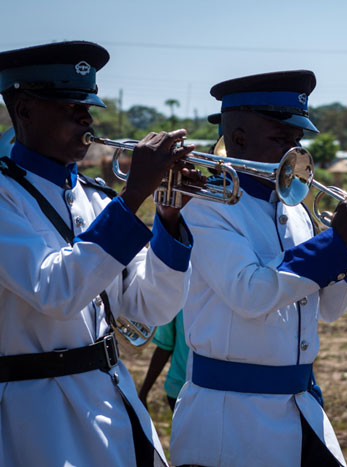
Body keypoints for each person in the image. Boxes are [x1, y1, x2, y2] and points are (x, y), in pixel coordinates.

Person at [170, 70, 347, 467]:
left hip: (300, 408)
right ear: (238, 140)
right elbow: (249, 293)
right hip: (232, 419)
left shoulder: (296, 210)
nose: (296, 153)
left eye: (297, 141)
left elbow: (330, 309)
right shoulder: (206, 206)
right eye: (281, 139)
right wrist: (334, 242)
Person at [0, 41, 194, 466]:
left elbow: (150, 306)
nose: (86, 118)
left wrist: (169, 217)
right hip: (38, 414)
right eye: (70, 106)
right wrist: (135, 194)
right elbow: (57, 292)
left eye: (87, 106)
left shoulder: (97, 199)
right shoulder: (4, 196)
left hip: (112, 397)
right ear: (24, 108)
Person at [139, 310, 189, 412]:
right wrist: (143, 393)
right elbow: (164, 347)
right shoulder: (180, 299)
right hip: (178, 390)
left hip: (214, 390)